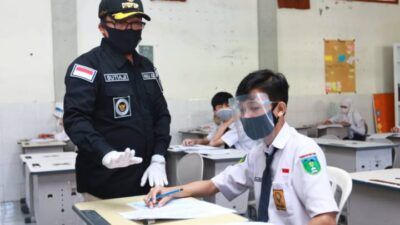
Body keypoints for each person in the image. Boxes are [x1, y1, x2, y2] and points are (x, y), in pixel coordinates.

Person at [145, 69, 338, 225]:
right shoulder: (259, 153)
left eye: (254, 108)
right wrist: (170, 191)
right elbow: (213, 185)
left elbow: (326, 219)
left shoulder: (303, 151)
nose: (245, 117)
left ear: (280, 109)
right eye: (242, 110)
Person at [63, 0, 171, 200]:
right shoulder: (87, 66)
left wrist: (158, 156)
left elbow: (162, 115)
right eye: (122, 23)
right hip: (104, 183)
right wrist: (105, 153)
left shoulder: (146, 67)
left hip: (148, 180)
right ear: (103, 28)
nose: (130, 29)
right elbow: (75, 119)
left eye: (136, 23)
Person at [182, 92, 255, 151]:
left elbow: (213, 143)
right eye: (220, 107)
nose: (224, 109)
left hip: (248, 160)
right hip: (236, 159)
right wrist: (193, 141)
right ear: (214, 111)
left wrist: (225, 125)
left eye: (227, 105)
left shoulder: (240, 124)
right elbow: (206, 140)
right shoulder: (220, 124)